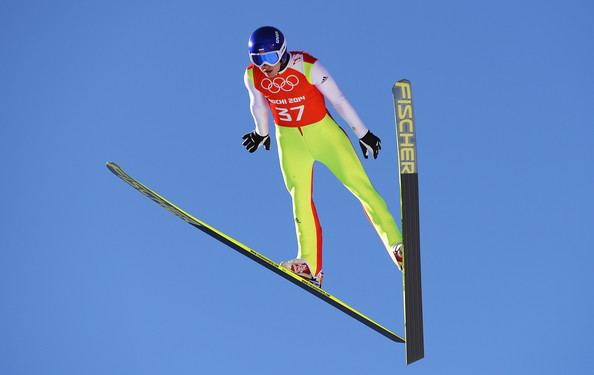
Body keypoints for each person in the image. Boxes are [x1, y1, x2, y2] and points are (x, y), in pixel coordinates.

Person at [242, 26, 403, 287]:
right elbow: (258, 104)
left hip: (324, 135)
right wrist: (261, 133)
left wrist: (363, 133)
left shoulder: (307, 66)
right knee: (299, 197)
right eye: (257, 60)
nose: (264, 66)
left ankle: (398, 246)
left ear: (282, 52)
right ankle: (310, 266)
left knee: (361, 187)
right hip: (290, 140)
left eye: (269, 58)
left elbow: (338, 99)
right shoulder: (253, 76)